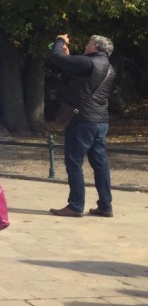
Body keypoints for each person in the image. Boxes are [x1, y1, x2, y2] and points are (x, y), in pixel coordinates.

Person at [48, 33, 117, 218]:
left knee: (74, 162)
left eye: (88, 43)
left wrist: (60, 40)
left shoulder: (89, 62)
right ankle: (105, 205)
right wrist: (69, 57)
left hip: (82, 121)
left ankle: (76, 205)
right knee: (100, 163)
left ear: (96, 46)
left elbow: (56, 57)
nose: (86, 45)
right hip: (101, 121)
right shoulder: (109, 67)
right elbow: (80, 79)